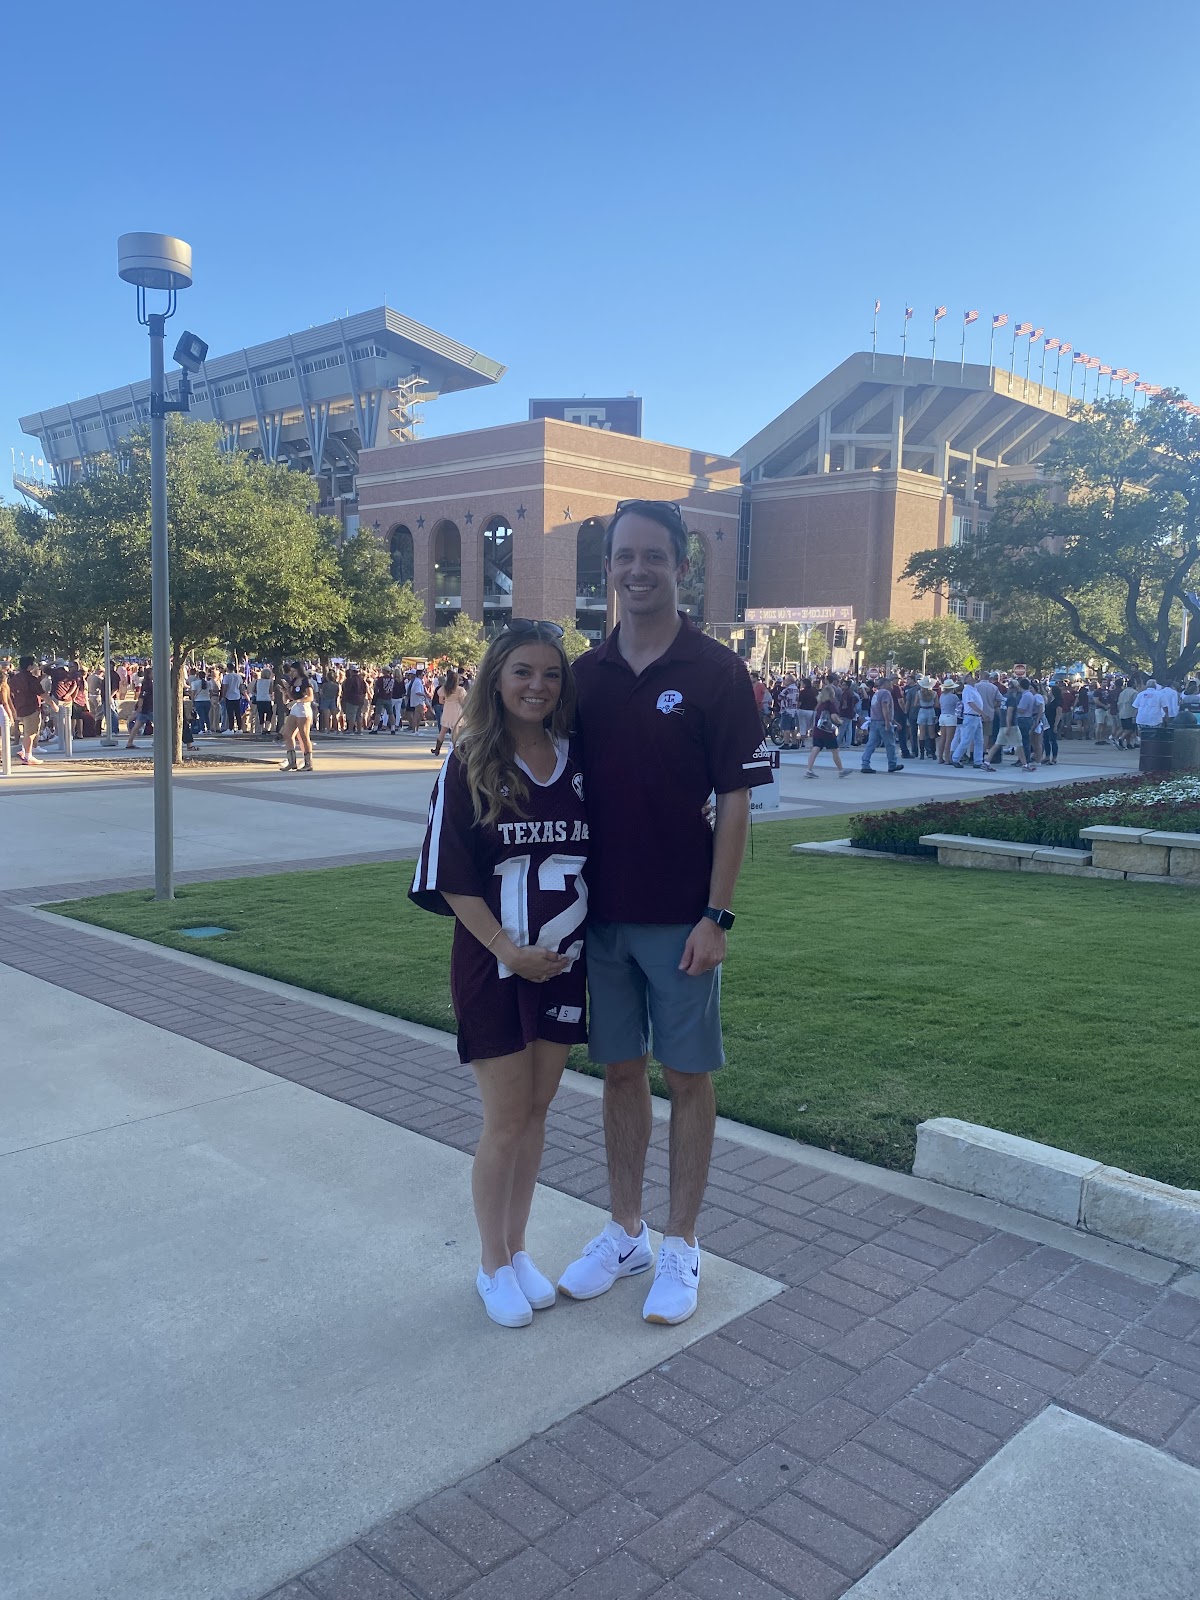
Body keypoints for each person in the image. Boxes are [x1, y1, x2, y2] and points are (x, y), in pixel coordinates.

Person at [557, 498, 772, 1326]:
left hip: (682, 920)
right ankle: (626, 1232)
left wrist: (719, 915)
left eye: (654, 556)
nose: (637, 569)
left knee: (686, 1078)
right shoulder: (584, 675)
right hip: (600, 917)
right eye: (624, 556)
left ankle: (681, 1241)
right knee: (619, 1072)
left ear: (681, 565)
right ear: (607, 567)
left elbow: (736, 801)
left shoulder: (717, 672)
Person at [409, 623, 588, 1329]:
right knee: (506, 1120)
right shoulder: (470, 762)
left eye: (551, 674)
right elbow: (451, 876)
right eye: (522, 672)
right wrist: (506, 951)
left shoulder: (580, 761)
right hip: (496, 967)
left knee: (538, 1112)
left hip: (563, 967)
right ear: (496, 678)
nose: (537, 686)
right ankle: (490, 1263)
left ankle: (517, 1248)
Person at [860, 676, 905, 773]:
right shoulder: (885, 693)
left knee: (871, 744)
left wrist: (894, 722)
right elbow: (885, 707)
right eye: (890, 684)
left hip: (874, 721)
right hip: (882, 722)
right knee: (890, 744)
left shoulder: (876, 693)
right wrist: (888, 722)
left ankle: (865, 763)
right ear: (885, 684)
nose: (892, 686)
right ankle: (892, 764)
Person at [804, 684, 849, 777]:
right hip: (827, 731)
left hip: (818, 730)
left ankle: (809, 769)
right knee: (835, 750)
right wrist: (839, 722)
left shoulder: (820, 704)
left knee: (815, 749)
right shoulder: (830, 705)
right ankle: (841, 770)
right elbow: (834, 717)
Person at [278, 663, 315, 772]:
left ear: (299, 670)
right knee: (287, 734)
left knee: (303, 736)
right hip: (295, 709)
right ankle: (292, 761)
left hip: (304, 709)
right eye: (291, 671)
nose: (292, 673)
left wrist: (297, 701)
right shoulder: (293, 681)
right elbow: (291, 697)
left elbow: (310, 697)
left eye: (294, 671)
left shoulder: (305, 681)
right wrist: (286, 691)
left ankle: (308, 763)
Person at [431, 669, 466, 757]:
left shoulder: (444, 688)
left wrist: (447, 701)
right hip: (456, 710)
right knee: (455, 731)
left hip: (447, 710)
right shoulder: (460, 690)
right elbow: (462, 702)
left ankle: (437, 749)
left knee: (443, 731)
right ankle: (453, 748)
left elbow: (440, 701)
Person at [125, 669, 154, 749]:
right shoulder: (148, 684)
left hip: (145, 709)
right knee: (159, 725)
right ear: (149, 674)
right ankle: (157, 741)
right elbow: (142, 696)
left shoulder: (146, 683)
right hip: (148, 708)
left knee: (136, 726)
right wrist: (140, 707)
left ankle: (129, 742)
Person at [914, 676, 938, 759]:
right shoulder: (934, 693)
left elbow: (915, 704)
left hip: (922, 711)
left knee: (922, 734)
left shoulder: (919, 693)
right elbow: (937, 705)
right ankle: (933, 753)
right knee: (931, 733)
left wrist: (921, 703)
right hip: (931, 711)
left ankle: (922, 754)